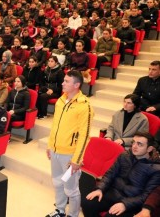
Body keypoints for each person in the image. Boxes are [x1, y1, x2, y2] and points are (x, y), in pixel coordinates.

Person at [46, 70, 93, 217]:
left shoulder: (84, 106)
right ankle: (60, 210)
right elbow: (55, 125)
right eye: (63, 80)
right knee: (58, 183)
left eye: (66, 81)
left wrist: (77, 159)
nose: (62, 83)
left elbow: (84, 136)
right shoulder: (61, 100)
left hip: (70, 155)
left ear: (77, 85)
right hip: (55, 150)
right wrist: (50, 145)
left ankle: (73, 215)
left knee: (71, 190)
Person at [81, 132, 160, 217]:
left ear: (149, 149)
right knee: (87, 203)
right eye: (133, 142)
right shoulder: (124, 156)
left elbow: (146, 195)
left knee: (111, 215)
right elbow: (110, 174)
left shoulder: (155, 169)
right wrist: (99, 189)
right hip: (113, 193)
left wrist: (125, 204)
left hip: (132, 202)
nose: (134, 146)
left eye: (140, 144)